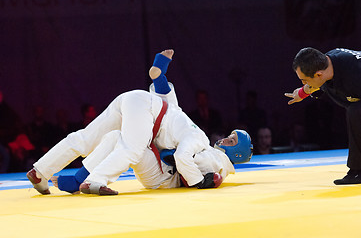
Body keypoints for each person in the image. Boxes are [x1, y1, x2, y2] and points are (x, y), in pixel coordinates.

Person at [27, 49, 253, 195]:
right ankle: (94, 180)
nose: (225, 138)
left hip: (135, 100)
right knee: (131, 149)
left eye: (232, 140)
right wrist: (199, 182)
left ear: (238, 154)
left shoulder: (198, 137)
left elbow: (170, 104)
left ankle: (41, 171)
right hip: (146, 108)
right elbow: (183, 156)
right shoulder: (199, 138)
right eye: (230, 135)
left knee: (90, 138)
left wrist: (160, 76)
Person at [285, 47, 361, 185]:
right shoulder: (326, 63)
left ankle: (358, 171)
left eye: (304, 80)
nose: (303, 84)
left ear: (319, 75)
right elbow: (318, 84)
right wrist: (302, 93)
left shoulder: (355, 73)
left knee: (356, 111)